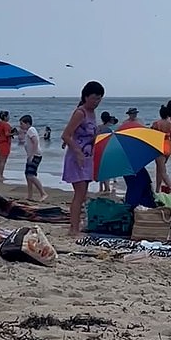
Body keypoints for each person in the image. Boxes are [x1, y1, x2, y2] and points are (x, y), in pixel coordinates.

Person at [61, 81, 105, 236]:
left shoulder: (92, 113)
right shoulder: (80, 112)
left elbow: (89, 136)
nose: (96, 102)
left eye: (99, 99)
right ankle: (73, 228)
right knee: (79, 194)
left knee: (83, 194)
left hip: (88, 157)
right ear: (86, 97)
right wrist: (78, 152)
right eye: (94, 98)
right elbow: (66, 135)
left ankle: (76, 225)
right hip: (76, 157)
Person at [20, 115, 47, 201]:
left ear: (27, 123)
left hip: (35, 156)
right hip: (31, 156)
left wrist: (32, 155)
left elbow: (35, 142)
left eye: (22, 123)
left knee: (31, 175)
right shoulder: (29, 131)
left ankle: (43, 193)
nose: (21, 125)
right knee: (27, 175)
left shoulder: (31, 130)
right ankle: (30, 195)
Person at [151, 105, 171, 192]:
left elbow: (152, 137)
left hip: (159, 146)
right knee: (159, 169)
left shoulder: (156, 123)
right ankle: (157, 189)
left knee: (162, 170)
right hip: (167, 147)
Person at [97, 111, 117, 193]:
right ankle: (107, 187)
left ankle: (102, 187)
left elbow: (96, 139)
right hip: (110, 150)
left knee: (101, 169)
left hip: (100, 149)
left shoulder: (99, 127)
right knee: (107, 169)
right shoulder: (113, 128)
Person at [0, 110, 13, 182]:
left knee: (0, 161)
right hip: (5, 143)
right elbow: (7, 134)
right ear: (5, 117)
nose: (9, 117)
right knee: (3, 161)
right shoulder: (6, 125)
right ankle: (0, 176)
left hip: (0, 142)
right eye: (8, 116)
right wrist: (13, 133)